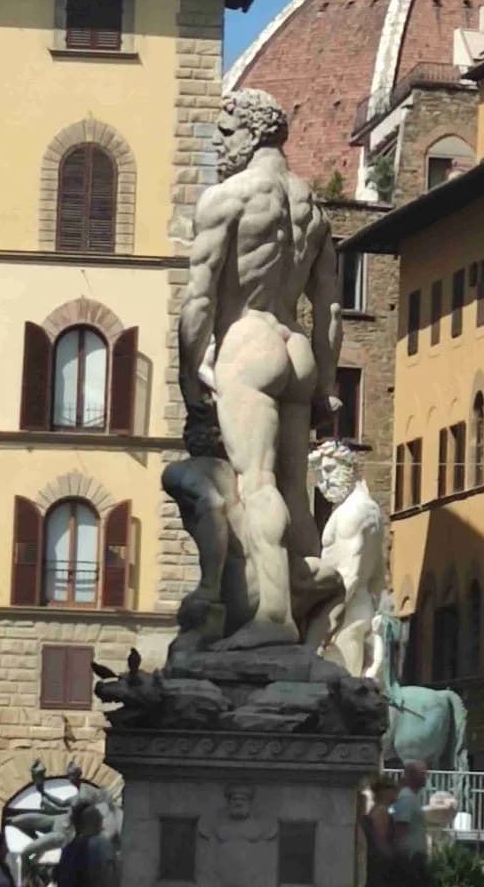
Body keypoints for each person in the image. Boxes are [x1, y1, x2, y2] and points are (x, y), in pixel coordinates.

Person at [178, 89, 344, 649]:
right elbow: (329, 308)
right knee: (295, 490)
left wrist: (188, 373)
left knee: (257, 483)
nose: (218, 143)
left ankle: (272, 619)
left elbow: (200, 297)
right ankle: (305, 595)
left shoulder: (228, 197)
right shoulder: (312, 208)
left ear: (253, 133)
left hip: (249, 342)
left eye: (226, 132)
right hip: (296, 348)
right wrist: (327, 382)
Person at [55, 804, 117, 887]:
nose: (102, 817)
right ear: (92, 821)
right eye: (98, 814)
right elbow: (110, 875)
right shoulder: (101, 844)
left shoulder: (69, 848)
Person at [392, 761, 430, 885]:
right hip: (410, 859)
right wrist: (403, 858)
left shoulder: (412, 797)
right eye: (422, 773)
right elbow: (400, 828)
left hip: (414, 859)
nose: (426, 777)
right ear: (412, 775)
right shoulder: (406, 798)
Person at [362, 778, 397, 887]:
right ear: (383, 791)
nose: (396, 791)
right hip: (381, 866)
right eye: (392, 787)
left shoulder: (377, 809)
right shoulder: (381, 811)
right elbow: (381, 841)